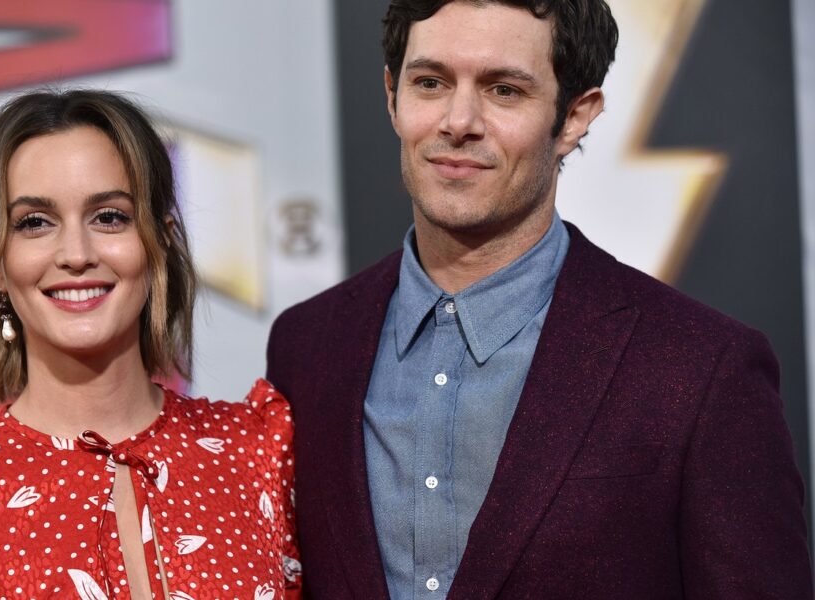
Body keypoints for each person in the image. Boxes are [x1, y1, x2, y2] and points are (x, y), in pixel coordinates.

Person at [266, 1, 812, 598]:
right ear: (392, 95)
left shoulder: (702, 367)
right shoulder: (307, 345)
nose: (458, 121)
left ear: (574, 117)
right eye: (431, 83)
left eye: (504, 90)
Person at [0, 90, 301, 599]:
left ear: (160, 240)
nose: (76, 253)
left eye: (109, 216)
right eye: (35, 223)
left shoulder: (257, 455)